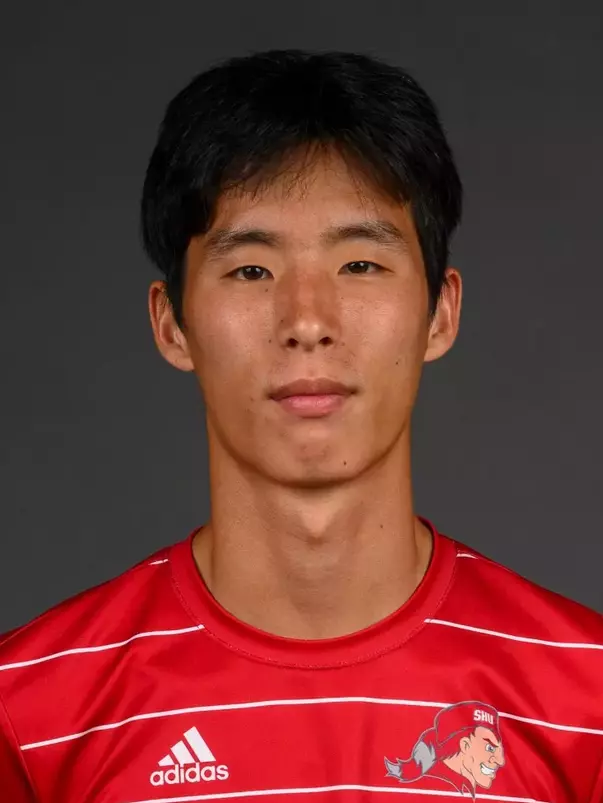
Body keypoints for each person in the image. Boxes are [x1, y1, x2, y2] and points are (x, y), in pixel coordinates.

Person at [0, 49, 601, 803]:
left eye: (360, 265)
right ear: (172, 324)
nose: (307, 320)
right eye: (251, 270)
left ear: (440, 313)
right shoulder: (28, 713)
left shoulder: (587, 701)